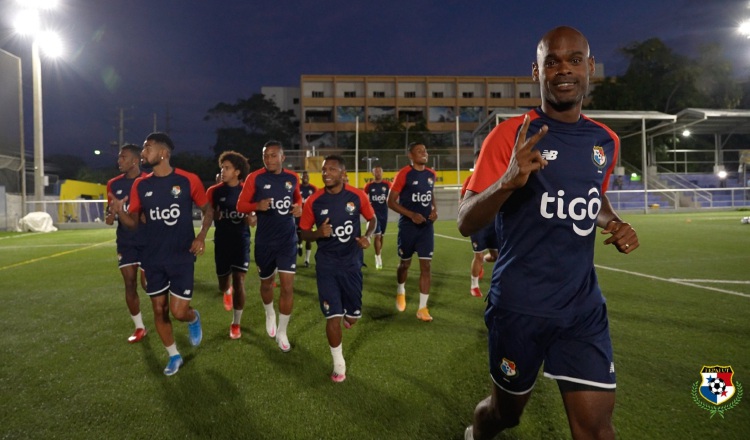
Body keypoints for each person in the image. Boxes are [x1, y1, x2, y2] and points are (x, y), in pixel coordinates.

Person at [457, 26, 640, 440]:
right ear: (535, 72)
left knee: (595, 428)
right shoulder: (509, 136)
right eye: (551, 61)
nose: (564, 69)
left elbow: (592, 196)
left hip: (582, 307)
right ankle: (476, 433)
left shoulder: (605, 141)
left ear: (589, 67)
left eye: (574, 59)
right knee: (504, 415)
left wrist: (612, 222)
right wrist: (507, 181)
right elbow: (467, 220)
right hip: (520, 307)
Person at [108, 132, 213, 376]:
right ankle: (174, 355)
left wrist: (201, 236)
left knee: (178, 312)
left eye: (148, 148)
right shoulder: (140, 185)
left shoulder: (188, 180)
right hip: (152, 256)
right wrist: (119, 212)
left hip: (182, 255)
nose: (144, 153)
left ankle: (193, 318)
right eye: (143, 149)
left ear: (164, 153)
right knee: (158, 309)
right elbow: (133, 223)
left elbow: (208, 210)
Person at [299, 155, 376, 382]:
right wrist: (317, 234)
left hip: (351, 263)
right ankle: (338, 364)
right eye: (324, 170)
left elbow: (372, 220)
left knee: (352, 316)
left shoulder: (357, 195)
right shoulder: (313, 201)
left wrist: (368, 237)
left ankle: (350, 317)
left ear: (343, 174)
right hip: (327, 265)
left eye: (332, 170)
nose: (326, 173)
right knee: (332, 316)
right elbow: (303, 232)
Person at [237, 140, 302, 352]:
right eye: (266, 155)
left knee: (287, 286)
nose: (269, 159)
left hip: (287, 241)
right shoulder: (254, 178)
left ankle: (282, 331)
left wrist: (299, 208)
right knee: (266, 285)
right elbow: (240, 205)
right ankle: (269, 312)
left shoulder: (292, 178)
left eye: (274, 155)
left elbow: (298, 200)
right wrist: (256, 206)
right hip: (265, 242)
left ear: (283, 157)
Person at [206, 151, 255, 339]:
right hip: (222, 241)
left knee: (239, 280)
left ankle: (236, 323)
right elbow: (208, 214)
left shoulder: (247, 191)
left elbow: (253, 216)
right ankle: (226, 291)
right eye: (222, 167)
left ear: (237, 171)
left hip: (241, 240)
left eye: (227, 168)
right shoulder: (214, 191)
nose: (223, 171)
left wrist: (251, 219)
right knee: (223, 283)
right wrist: (212, 216)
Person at [387, 142, 438, 322]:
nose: (423, 153)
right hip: (408, 227)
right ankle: (401, 290)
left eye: (425, 150)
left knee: (426, 266)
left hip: (426, 228)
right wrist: (411, 215)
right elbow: (390, 202)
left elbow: (431, 194)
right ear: (410, 155)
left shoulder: (432, 174)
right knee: (405, 264)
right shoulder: (404, 174)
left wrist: (434, 210)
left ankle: (422, 308)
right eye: (419, 151)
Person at [105, 144, 149, 343]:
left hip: (149, 241)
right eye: (119, 157)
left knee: (148, 285)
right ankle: (139, 327)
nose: (119, 161)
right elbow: (110, 214)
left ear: (134, 161)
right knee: (129, 283)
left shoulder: (149, 181)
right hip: (126, 241)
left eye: (123, 157)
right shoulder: (113, 184)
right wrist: (111, 214)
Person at [459, 158, 498, 298]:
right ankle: (474, 286)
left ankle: (482, 265)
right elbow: (462, 200)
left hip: (493, 222)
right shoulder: (471, 179)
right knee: (479, 256)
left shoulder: (497, 176)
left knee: (495, 256)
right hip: (477, 223)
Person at [363, 165, 392, 270]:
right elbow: (363, 198)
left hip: (384, 214)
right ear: (373, 173)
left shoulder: (387, 184)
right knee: (378, 236)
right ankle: (378, 258)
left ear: (382, 173)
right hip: (373, 214)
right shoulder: (369, 186)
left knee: (381, 236)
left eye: (380, 171)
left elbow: (392, 196)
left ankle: (378, 252)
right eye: (376, 171)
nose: (378, 173)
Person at [297, 170, 318, 267]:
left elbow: (317, 201)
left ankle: (307, 260)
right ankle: (299, 245)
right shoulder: (297, 188)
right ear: (301, 178)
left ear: (309, 177)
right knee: (298, 234)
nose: (305, 177)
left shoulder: (313, 188)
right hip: (298, 215)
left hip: (309, 216)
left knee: (309, 237)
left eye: (306, 176)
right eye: (303, 176)